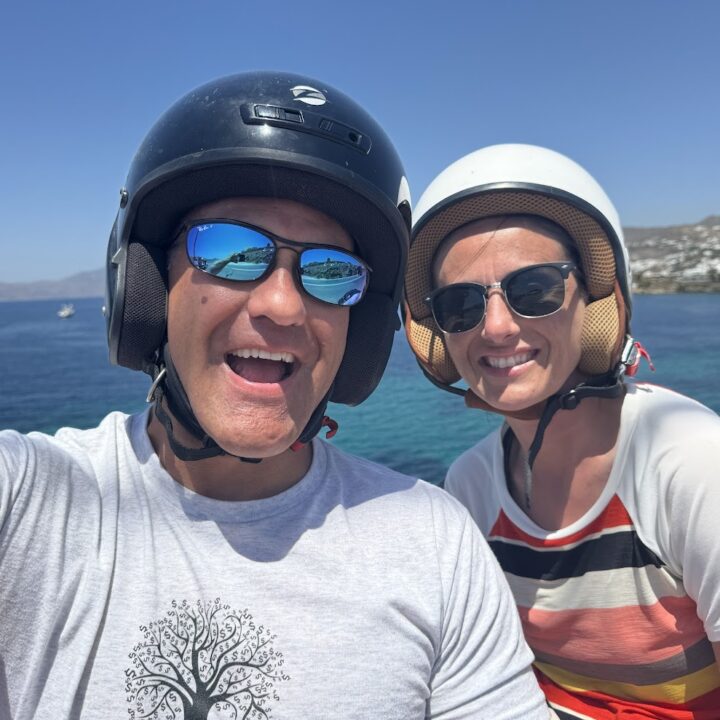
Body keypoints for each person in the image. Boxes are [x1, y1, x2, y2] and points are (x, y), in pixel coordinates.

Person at [0, 74, 551, 719]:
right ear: (149, 290)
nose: (283, 304)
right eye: (230, 250)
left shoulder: (434, 542)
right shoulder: (32, 501)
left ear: (363, 327)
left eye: (331, 271)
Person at [404, 143, 720, 719]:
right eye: (459, 304)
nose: (496, 327)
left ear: (595, 303)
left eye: (535, 290)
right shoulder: (471, 484)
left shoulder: (691, 465)